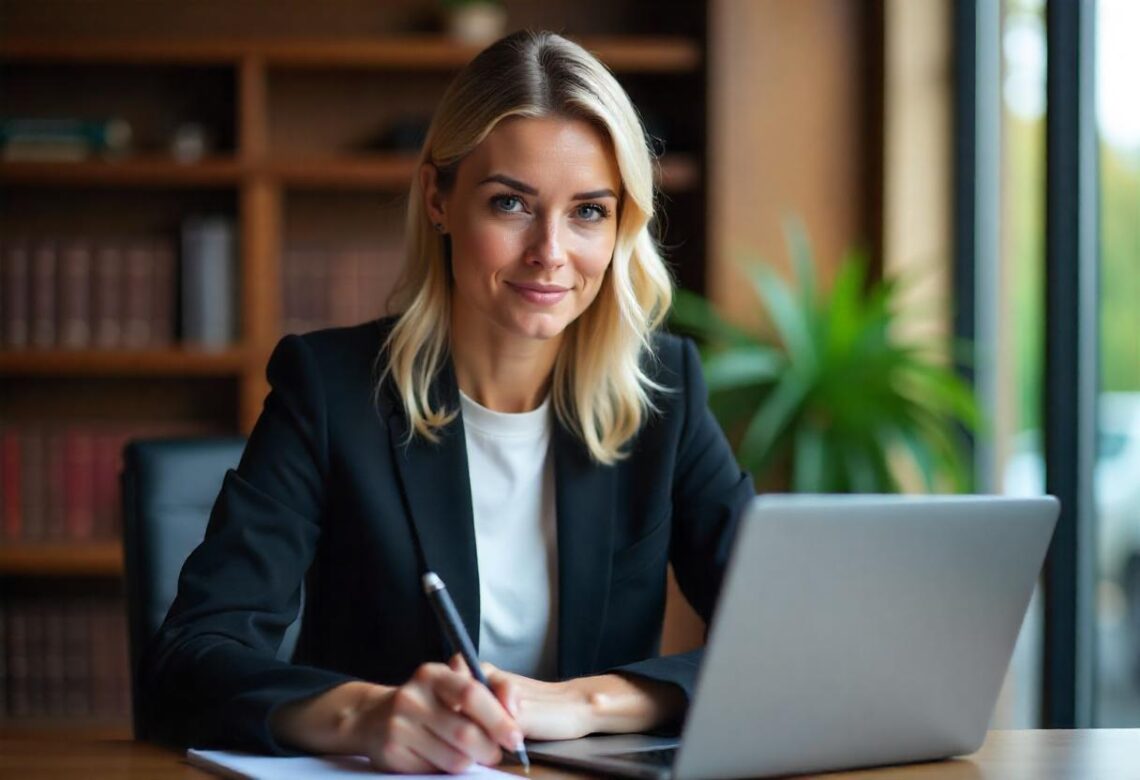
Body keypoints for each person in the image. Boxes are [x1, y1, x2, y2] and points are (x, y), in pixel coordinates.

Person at [140, 29, 754, 774]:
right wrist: (363, 715)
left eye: (589, 211)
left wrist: (591, 703)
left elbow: (782, 644)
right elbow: (190, 659)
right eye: (511, 205)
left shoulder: (664, 392)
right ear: (439, 198)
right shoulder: (331, 389)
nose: (551, 252)